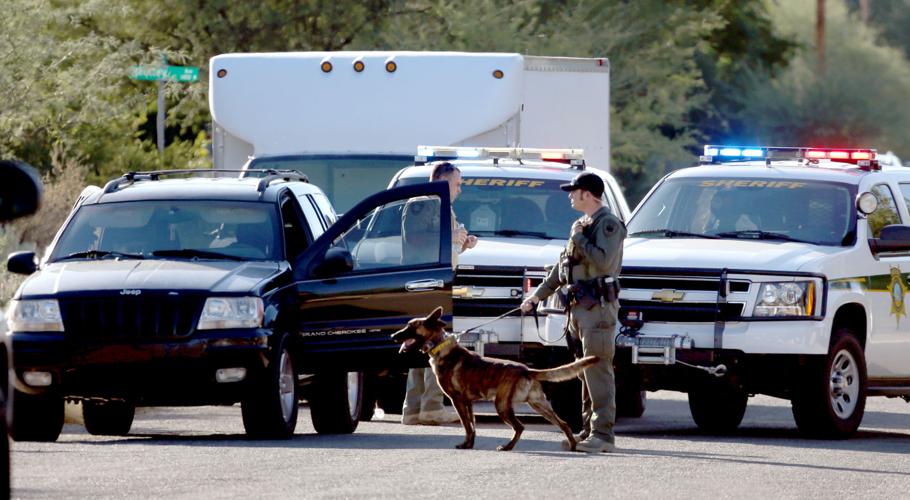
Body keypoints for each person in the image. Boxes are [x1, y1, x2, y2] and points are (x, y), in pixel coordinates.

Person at [520, 172, 625, 453]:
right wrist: (536, 297)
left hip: (598, 310)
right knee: (584, 372)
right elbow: (562, 268)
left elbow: (603, 263)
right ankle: (589, 430)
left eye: (574, 191)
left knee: (598, 370)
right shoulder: (582, 224)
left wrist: (579, 237)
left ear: (588, 194)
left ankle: (604, 436)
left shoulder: (608, 224)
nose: (570, 195)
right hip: (578, 309)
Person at [401, 161, 478, 425]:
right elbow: (417, 240)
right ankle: (429, 407)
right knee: (437, 344)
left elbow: (445, 248)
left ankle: (416, 409)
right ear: (443, 180)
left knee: (424, 344)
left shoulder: (442, 206)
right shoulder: (422, 204)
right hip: (426, 284)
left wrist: (462, 244)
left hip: (436, 281)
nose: (459, 189)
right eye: (457, 183)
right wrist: (452, 235)